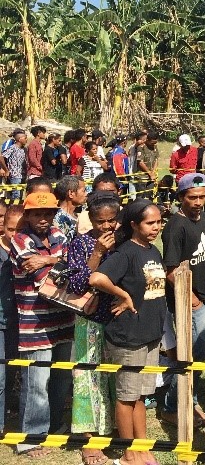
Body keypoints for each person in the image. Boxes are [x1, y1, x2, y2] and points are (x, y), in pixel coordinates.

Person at [89, 199, 167, 465]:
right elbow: (97, 278)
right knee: (126, 397)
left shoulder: (153, 251)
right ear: (134, 224)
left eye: (158, 222)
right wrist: (123, 295)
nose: (156, 227)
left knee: (142, 396)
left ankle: (142, 447)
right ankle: (127, 452)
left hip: (150, 335)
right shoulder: (126, 253)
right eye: (150, 223)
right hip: (128, 337)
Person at [11, 191, 75, 457]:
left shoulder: (59, 235)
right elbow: (42, 276)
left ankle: (56, 426)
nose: (43, 219)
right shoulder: (19, 240)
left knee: (61, 377)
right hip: (34, 323)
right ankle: (31, 438)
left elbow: (74, 264)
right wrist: (60, 264)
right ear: (27, 215)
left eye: (48, 213)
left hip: (64, 319)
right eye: (38, 214)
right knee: (37, 382)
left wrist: (50, 259)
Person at [66, 190, 121, 465]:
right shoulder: (80, 244)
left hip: (118, 320)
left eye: (112, 220)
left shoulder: (124, 242)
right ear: (91, 219)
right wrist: (98, 252)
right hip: (90, 320)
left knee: (114, 377)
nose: (107, 226)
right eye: (101, 221)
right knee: (88, 377)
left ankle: (113, 430)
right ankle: (89, 438)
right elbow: (76, 284)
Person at [160, 172, 205, 429]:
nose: (198, 202)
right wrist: (192, 299)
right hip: (185, 302)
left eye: (202, 196)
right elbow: (170, 271)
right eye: (192, 197)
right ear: (181, 197)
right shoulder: (175, 227)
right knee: (190, 356)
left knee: (197, 354)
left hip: (202, 295)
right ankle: (173, 406)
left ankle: (187, 398)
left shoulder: (202, 217)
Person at [0, 204, 19, 435]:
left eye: (19, 229)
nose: (15, 235)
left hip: (21, 322)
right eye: (11, 229)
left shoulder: (28, 251)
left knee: (14, 373)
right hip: (1, 323)